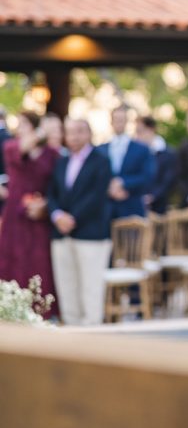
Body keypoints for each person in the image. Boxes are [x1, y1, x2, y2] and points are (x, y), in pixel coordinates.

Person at [47, 119, 113, 326]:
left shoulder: (101, 160)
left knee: (90, 288)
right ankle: (71, 337)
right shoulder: (62, 161)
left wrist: (72, 218)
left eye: (79, 132)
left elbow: (96, 196)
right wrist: (57, 215)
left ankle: (92, 340)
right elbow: (52, 193)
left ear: (88, 134)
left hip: (91, 234)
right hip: (61, 234)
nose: (74, 137)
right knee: (67, 287)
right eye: (70, 132)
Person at [0, 111, 61, 319]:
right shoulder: (11, 146)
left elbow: (57, 183)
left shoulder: (51, 153)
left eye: (25, 123)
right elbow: (24, 148)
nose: (20, 127)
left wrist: (46, 205)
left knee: (39, 260)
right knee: (13, 258)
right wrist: (42, 132)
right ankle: (12, 310)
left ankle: (42, 311)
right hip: (15, 214)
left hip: (39, 214)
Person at [97, 106, 154, 219]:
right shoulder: (100, 150)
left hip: (131, 208)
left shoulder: (142, 149)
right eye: (116, 119)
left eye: (122, 120)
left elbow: (148, 176)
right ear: (111, 122)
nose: (119, 123)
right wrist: (109, 189)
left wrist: (124, 183)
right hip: (105, 210)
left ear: (127, 122)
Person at [135, 116, 177, 214]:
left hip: (160, 208)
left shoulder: (168, 153)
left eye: (140, 131)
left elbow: (169, 180)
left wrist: (153, 196)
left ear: (151, 130)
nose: (137, 136)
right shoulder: (137, 153)